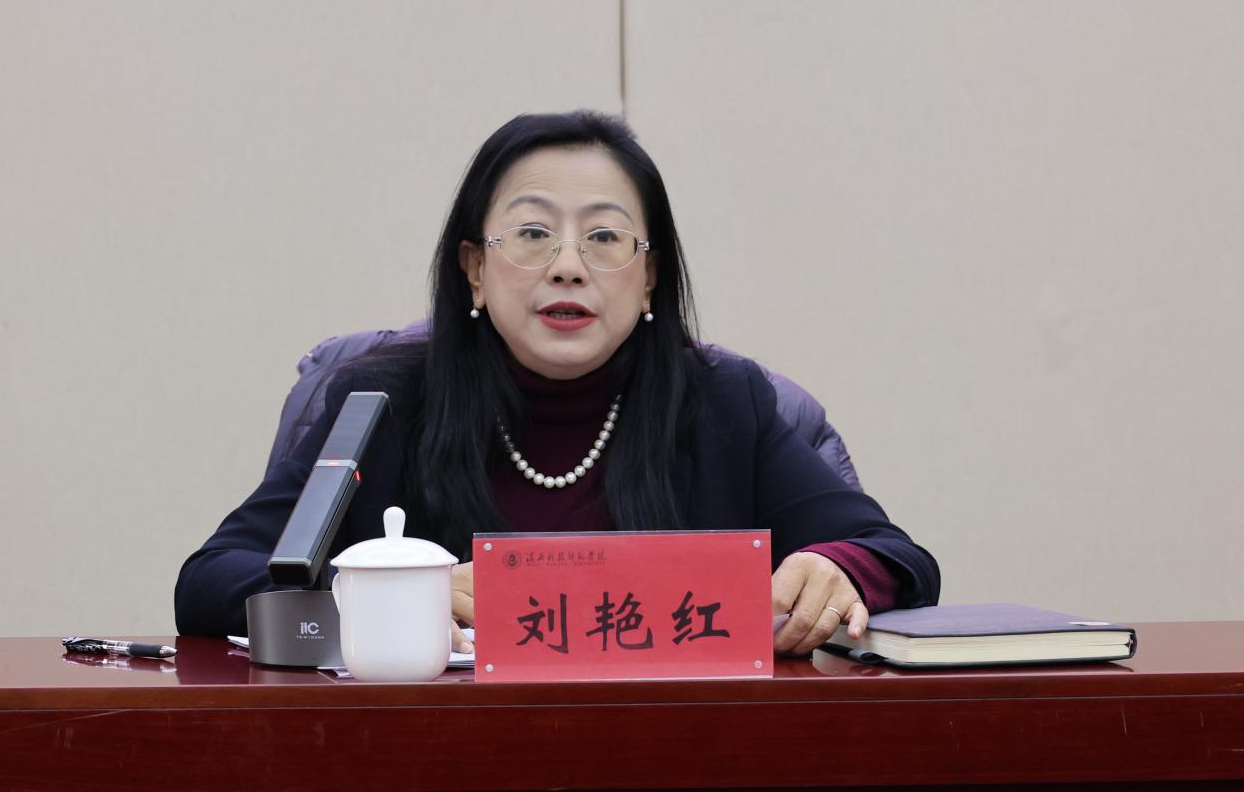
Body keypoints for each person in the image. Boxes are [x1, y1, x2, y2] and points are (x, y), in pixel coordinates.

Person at [175, 110, 940, 656]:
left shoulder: (721, 403)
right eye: (533, 233)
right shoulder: (382, 406)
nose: (568, 265)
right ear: (475, 269)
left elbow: (893, 556)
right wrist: (382, 601)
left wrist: (837, 569)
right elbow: (212, 580)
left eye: (604, 237)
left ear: (649, 278)